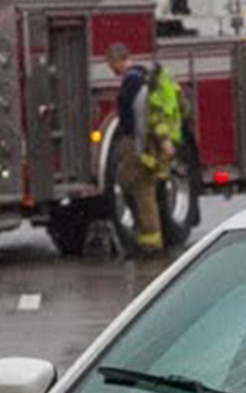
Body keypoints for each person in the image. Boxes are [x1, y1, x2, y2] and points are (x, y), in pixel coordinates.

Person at [107, 43, 162, 255]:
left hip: (136, 143)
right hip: (142, 143)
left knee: (140, 188)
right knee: (134, 184)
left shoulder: (132, 81)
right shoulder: (142, 77)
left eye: (111, 63)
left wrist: (140, 148)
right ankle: (147, 237)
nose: (111, 68)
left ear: (117, 59)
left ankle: (150, 242)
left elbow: (136, 117)